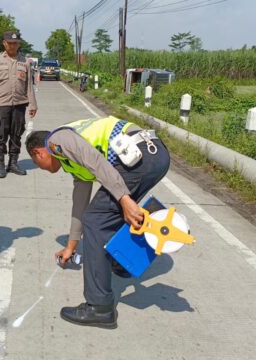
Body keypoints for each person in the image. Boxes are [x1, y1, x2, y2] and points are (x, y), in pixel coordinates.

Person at [25, 115, 171, 329]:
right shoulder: (71, 160)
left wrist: (124, 198)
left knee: (96, 220)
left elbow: (96, 162)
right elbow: (80, 202)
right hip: (154, 155)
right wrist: (71, 246)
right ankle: (121, 263)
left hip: (140, 156)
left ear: (38, 152)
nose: (42, 168)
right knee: (106, 213)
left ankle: (99, 307)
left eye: (37, 163)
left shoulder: (58, 140)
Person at [0, 31, 37, 178]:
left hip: (19, 104)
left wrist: (32, 104)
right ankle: (0, 165)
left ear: (19, 44)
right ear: (4, 43)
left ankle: (13, 163)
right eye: (10, 43)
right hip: (1, 105)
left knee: (16, 135)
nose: (13, 46)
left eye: (15, 43)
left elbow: (29, 85)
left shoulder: (25, 61)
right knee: (0, 136)